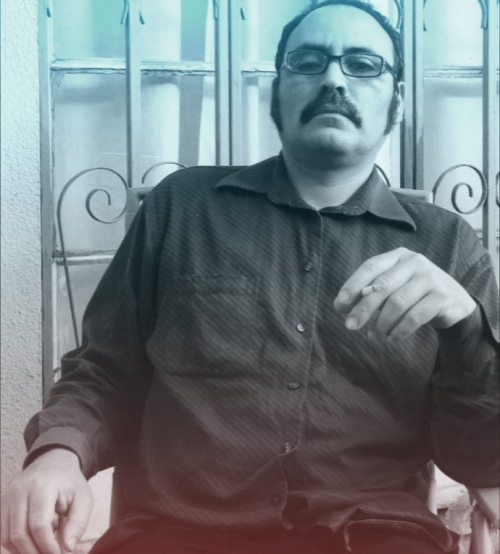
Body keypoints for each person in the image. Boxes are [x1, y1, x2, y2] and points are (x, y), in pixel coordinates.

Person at [2, 1, 498, 553]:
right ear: (276, 92)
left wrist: (467, 328)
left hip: (371, 535)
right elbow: (106, 370)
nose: (334, 80)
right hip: (178, 532)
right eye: (308, 62)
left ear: (397, 102)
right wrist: (58, 453)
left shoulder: (447, 245)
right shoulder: (181, 208)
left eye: (363, 65)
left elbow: (480, 455)